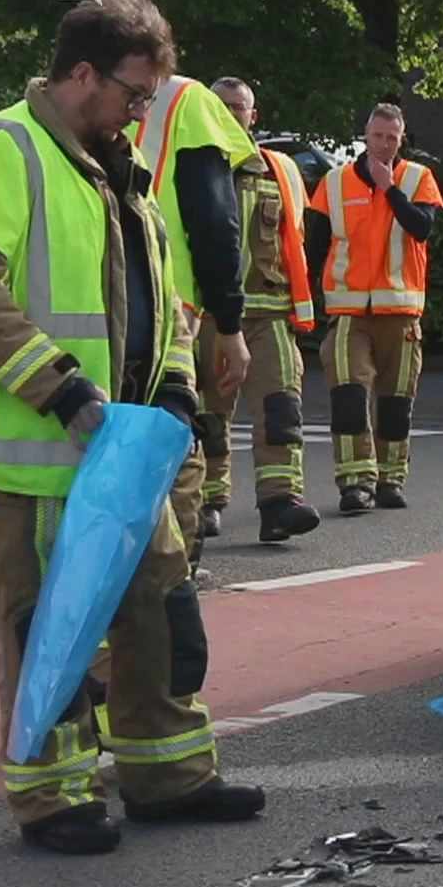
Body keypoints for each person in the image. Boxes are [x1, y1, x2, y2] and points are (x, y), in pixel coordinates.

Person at [0, 0, 266, 854]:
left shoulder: (120, 169)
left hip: (118, 453)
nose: (142, 112)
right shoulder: (1, 148)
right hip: (31, 456)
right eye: (133, 94)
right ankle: (54, 799)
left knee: (159, 615)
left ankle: (168, 776)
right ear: (82, 74)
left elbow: (160, 301)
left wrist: (174, 387)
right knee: (45, 633)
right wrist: (63, 392)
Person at [126, 68, 260, 557]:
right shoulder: (187, 101)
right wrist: (230, 323)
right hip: (165, 304)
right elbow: (215, 223)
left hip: (77, 305)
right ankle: (171, 573)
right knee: (173, 443)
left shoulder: (59, 99)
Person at [197, 77, 322, 541]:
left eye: (240, 108)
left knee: (281, 405)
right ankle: (208, 500)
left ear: (254, 115)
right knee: (209, 411)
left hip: (270, 312)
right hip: (208, 315)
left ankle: (279, 503)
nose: (233, 115)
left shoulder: (281, 171)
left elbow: (302, 238)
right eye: (223, 106)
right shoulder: (193, 166)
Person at [310, 103, 443, 514]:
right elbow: (314, 250)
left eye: (392, 137)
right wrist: (304, 306)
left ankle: (390, 480)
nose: (384, 144)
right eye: (377, 136)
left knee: (396, 401)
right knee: (349, 396)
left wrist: (390, 189)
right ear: (365, 137)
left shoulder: (419, 178)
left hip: (401, 313)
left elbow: (421, 227)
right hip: (349, 312)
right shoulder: (333, 184)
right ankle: (355, 482)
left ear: (402, 139)